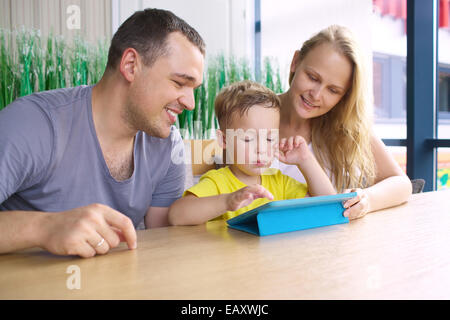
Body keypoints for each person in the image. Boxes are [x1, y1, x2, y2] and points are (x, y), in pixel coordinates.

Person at [0, 8, 205, 257]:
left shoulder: (168, 145)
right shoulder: (33, 122)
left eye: (194, 88)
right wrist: (43, 228)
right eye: (180, 83)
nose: (191, 103)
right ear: (130, 66)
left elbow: (161, 244)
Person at [271, 25, 412, 220]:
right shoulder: (254, 113)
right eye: (312, 77)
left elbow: (402, 184)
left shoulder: (345, 128)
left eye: (333, 90)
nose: (316, 95)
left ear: (344, 96)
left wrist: (367, 199)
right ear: (296, 62)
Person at [168, 80, 336, 225]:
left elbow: (328, 204)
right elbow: (176, 215)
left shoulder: (279, 182)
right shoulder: (218, 182)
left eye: (269, 139)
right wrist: (228, 201)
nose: (261, 149)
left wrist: (306, 160)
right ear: (224, 140)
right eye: (248, 139)